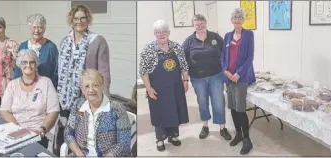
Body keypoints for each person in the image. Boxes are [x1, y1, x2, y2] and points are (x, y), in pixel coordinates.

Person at [54, 4, 111, 154]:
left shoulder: (97, 41)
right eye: (76, 18)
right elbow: (60, 70)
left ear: (88, 20)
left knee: (84, 132)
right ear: (71, 20)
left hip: (87, 96)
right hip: (64, 97)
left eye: (83, 18)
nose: (79, 21)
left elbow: (104, 73)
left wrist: (103, 101)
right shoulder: (65, 41)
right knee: (66, 130)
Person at [139, 20, 189, 151]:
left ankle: (173, 136)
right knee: (159, 113)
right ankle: (160, 139)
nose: (161, 34)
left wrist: (185, 81)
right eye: (158, 32)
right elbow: (143, 72)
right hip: (157, 89)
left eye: (164, 31)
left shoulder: (176, 47)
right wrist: (149, 88)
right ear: (154, 34)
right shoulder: (148, 49)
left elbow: (184, 66)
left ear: (168, 33)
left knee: (174, 111)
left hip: (175, 87)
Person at [182, 14, 231, 140]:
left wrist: (226, 70)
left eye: (201, 22)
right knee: (202, 102)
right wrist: (185, 79)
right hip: (198, 79)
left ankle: (222, 127)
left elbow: (226, 53)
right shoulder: (189, 41)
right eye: (197, 23)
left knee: (218, 102)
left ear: (206, 23)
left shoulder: (215, 37)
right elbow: (183, 61)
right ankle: (205, 126)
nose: (199, 25)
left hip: (216, 76)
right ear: (193, 25)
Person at [64, 69, 131, 157]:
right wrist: (79, 153)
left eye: (95, 85)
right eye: (87, 86)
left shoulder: (117, 109)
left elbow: (124, 143)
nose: (91, 90)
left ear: (102, 86)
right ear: (82, 90)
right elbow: (68, 132)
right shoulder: (78, 105)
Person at [0, 49, 59, 148]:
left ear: (36, 65)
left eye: (32, 62)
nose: (28, 65)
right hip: (16, 133)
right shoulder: (12, 85)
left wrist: (42, 129)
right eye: (24, 62)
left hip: (38, 134)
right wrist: (19, 130)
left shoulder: (46, 82)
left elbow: (54, 111)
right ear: (19, 64)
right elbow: (4, 110)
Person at [221, 8, 255, 155]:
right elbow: (222, 56)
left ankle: (247, 140)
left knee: (240, 109)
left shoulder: (248, 35)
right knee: (233, 108)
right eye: (234, 17)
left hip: (241, 78)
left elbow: (249, 58)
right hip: (228, 78)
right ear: (231, 20)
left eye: (239, 17)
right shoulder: (228, 36)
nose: (237, 20)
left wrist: (238, 73)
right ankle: (239, 134)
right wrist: (225, 71)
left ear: (243, 20)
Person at [14, 13, 58, 88]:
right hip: (25, 89)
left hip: (45, 88)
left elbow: (56, 72)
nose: (36, 31)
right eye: (34, 27)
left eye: (40, 27)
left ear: (44, 29)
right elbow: (18, 71)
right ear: (30, 28)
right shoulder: (23, 46)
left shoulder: (51, 47)